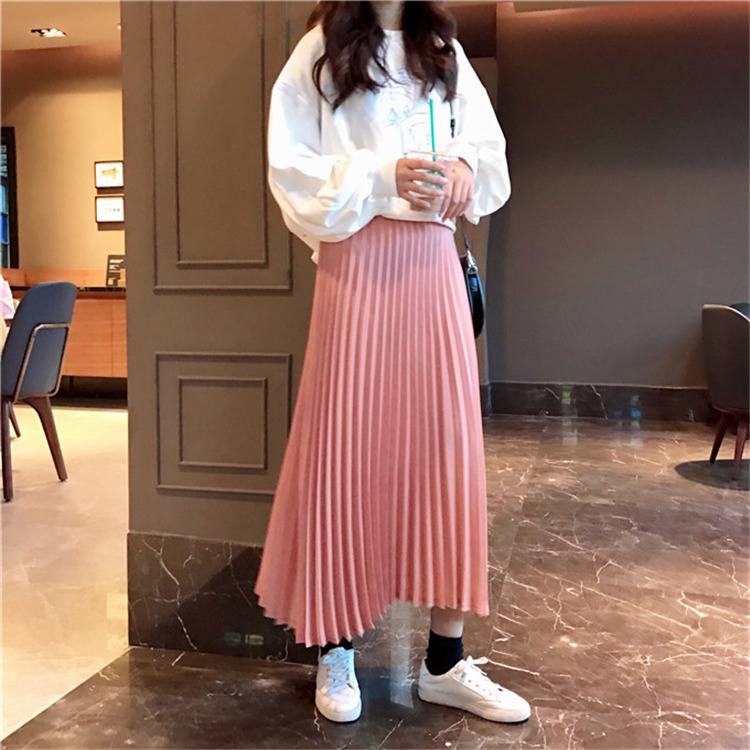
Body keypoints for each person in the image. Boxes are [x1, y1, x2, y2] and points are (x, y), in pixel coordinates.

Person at [255, 0, 530, 725]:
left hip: (434, 263)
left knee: (446, 452)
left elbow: (489, 152)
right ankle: (336, 648)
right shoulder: (321, 51)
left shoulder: (443, 50)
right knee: (346, 448)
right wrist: (382, 176)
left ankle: (445, 660)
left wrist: (466, 167)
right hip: (355, 264)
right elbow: (291, 170)